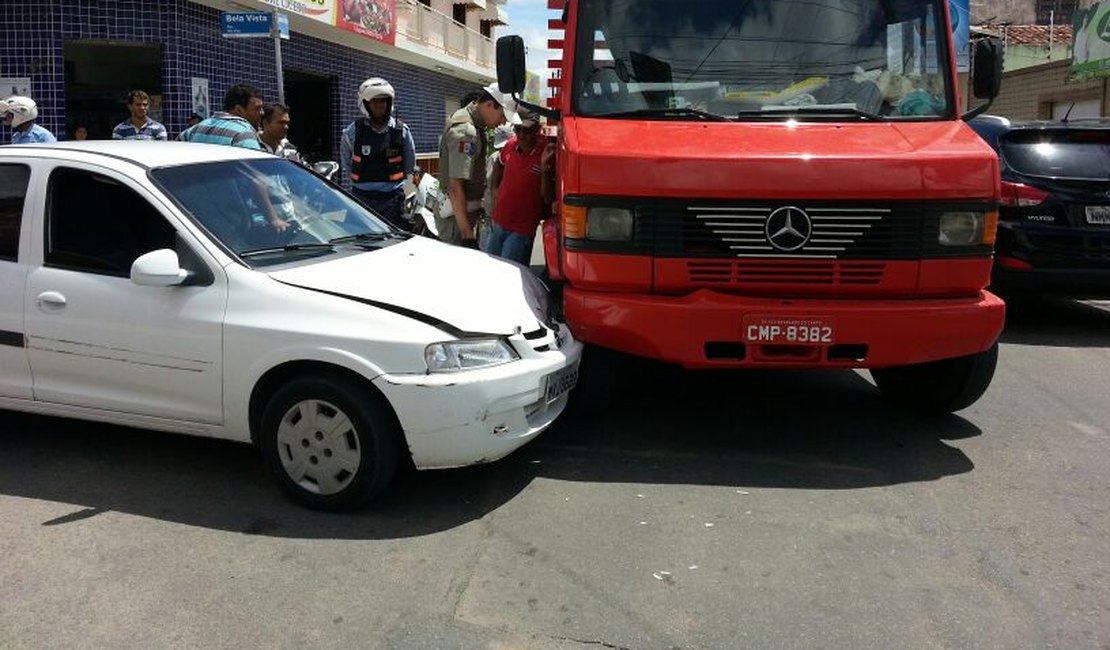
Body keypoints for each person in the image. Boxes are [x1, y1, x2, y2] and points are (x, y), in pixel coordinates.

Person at [435, 83, 521, 247]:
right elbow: (455, 187)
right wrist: (468, 236)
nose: (503, 122)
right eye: (503, 115)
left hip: (462, 215)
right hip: (457, 220)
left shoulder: (475, 125)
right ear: (490, 105)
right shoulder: (466, 131)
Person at [340, 77, 415, 230]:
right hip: (361, 203)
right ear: (365, 104)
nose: (380, 105)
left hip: (393, 203)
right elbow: (347, 165)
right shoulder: (351, 133)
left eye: (383, 101)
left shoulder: (402, 132)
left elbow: (409, 166)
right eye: (375, 102)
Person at [483, 111, 555, 265]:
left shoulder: (547, 152)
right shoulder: (510, 145)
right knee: (490, 269)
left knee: (510, 276)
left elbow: (548, 198)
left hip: (521, 231)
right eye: (518, 129)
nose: (522, 135)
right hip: (499, 223)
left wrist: (544, 169)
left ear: (537, 129)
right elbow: (498, 169)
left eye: (527, 130)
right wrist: (496, 194)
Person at [177, 84, 265, 149]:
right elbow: (254, 171)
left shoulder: (193, 130)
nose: (262, 113)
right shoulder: (243, 135)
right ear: (239, 110)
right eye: (257, 108)